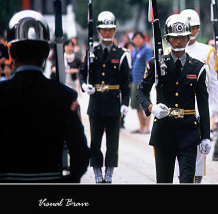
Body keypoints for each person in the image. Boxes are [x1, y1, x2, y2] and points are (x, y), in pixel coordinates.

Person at [0, 10, 89, 183]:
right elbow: (80, 152)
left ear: (11, 53)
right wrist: (69, 181)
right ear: (46, 53)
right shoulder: (65, 96)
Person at [136, 14, 211, 183]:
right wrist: (151, 108)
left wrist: (206, 135)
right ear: (168, 39)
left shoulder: (198, 67)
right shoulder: (156, 64)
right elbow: (141, 92)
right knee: (163, 180)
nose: (179, 41)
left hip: (188, 131)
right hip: (164, 130)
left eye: (183, 37)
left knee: (186, 178)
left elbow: (203, 104)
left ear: (188, 37)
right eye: (175, 37)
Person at [79, 11, 131, 183]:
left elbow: (126, 82)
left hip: (113, 102)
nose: (107, 33)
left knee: (112, 142)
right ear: (99, 31)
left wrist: (125, 103)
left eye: (110, 29)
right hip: (96, 102)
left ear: (114, 30)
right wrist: (84, 85)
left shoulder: (121, 54)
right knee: (95, 141)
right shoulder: (92, 51)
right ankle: (96, 171)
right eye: (103, 30)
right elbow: (82, 73)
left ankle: (109, 171)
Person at [174, 9, 218, 183]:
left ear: (198, 29)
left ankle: (197, 180)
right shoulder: (172, 50)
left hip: (200, 107)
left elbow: (213, 84)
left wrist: (213, 108)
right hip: (179, 108)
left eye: (194, 27)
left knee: (200, 152)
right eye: (187, 27)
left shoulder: (207, 51)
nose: (191, 31)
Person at [130, 31, 153, 134]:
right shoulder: (134, 50)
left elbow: (149, 65)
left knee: (145, 104)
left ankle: (147, 127)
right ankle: (141, 126)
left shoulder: (147, 50)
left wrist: (147, 80)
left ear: (144, 39)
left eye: (140, 38)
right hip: (134, 80)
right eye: (136, 38)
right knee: (136, 105)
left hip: (142, 81)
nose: (138, 40)